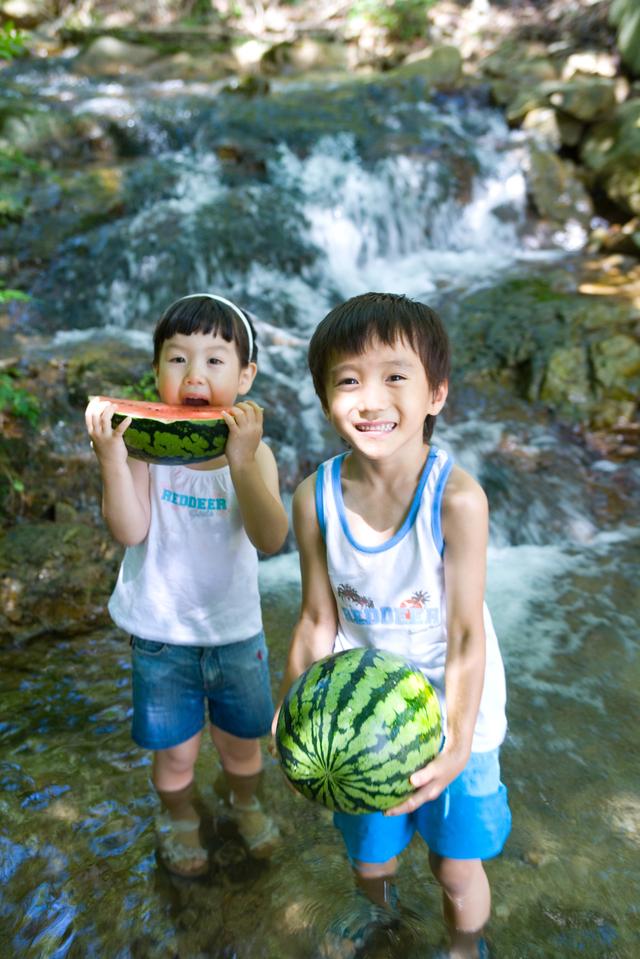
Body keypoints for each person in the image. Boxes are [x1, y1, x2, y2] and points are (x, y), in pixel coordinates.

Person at [274, 292, 511, 959]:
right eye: (349, 379)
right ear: (324, 398)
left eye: (394, 377)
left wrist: (459, 740)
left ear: (436, 392)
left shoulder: (457, 499)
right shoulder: (313, 498)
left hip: (456, 703)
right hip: (359, 721)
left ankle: (465, 944)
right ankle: (375, 913)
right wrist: (294, 706)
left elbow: (465, 634)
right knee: (371, 857)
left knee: (454, 864)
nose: (370, 398)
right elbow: (319, 617)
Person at [86, 293, 289, 879]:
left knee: (242, 750)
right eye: (177, 360)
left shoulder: (259, 456)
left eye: (215, 361)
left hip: (234, 635)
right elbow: (130, 529)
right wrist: (112, 459)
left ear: (246, 376)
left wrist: (244, 463)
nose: (194, 375)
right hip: (159, 635)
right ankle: (177, 816)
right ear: (156, 373)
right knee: (174, 757)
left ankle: (245, 803)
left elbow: (270, 536)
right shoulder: (148, 449)